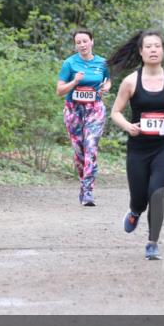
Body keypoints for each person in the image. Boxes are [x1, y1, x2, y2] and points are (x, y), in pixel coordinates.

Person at [108, 29, 164, 260]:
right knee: (140, 198)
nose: (153, 50)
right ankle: (134, 211)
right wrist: (128, 126)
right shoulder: (131, 82)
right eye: (148, 46)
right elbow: (115, 112)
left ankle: (152, 242)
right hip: (138, 149)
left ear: (163, 50)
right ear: (141, 52)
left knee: (157, 193)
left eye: (157, 46)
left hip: (163, 147)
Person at [57, 29, 111, 206]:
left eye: (85, 41)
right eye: (78, 42)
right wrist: (74, 82)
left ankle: (88, 191)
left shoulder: (102, 62)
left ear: (92, 42)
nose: (82, 45)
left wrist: (106, 88)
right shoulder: (69, 63)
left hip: (95, 109)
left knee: (91, 146)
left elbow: (108, 80)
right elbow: (59, 91)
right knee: (79, 152)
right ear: (75, 45)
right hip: (74, 110)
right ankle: (83, 183)